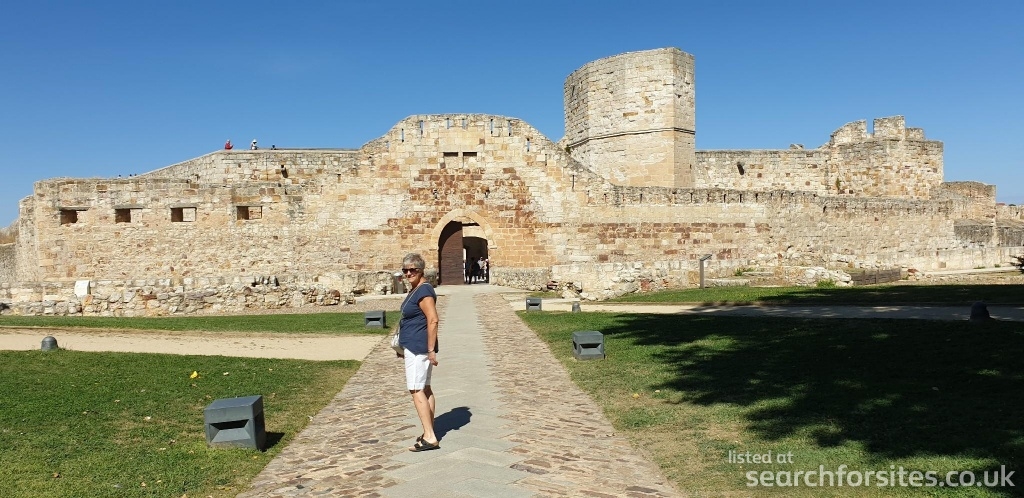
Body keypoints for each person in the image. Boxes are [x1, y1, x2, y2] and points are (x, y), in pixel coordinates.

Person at [397, 253, 440, 451]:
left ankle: (430, 437)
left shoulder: (424, 290)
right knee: (425, 388)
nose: (408, 273)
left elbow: (433, 320)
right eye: (405, 270)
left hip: (418, 347)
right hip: (414, 345)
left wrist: (430, 350)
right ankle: (429, 430)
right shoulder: (417, 289)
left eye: (412, 270)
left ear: (421, 270)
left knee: (416, 389)